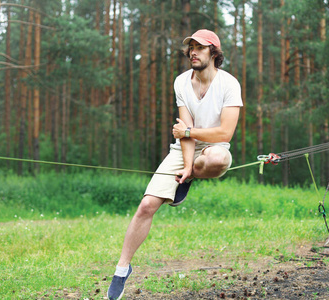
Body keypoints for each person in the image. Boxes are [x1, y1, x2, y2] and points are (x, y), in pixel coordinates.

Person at [107, 29, 243, 300]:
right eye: (190, 47)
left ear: (213, 53)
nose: (193, 51)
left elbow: (224, 133)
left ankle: (190, 176)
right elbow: (184, 130)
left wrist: (190, 136)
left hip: (215, 146)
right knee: (146, 205)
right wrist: (187, 161)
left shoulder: (229, 84)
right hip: (184, 148)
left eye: (200, 47)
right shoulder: (181, 82)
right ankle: (122, 269)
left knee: (215, 158)